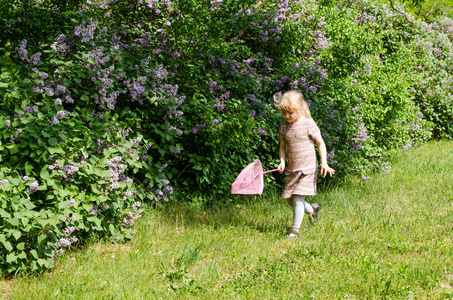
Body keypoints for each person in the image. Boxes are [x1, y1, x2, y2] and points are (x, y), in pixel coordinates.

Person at [275, 91, 335, 239]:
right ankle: (312, 210)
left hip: (308, 168)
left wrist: (324, 163)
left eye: (290, 113)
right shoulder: (284, 127)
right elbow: (282, 147)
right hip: (292, 168)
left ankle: (295, 230)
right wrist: (282, 161)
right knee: (291, 200)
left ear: (300, 109)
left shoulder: (308, 124)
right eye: (284, 113)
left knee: (297, 200)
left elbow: (320, 143)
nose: (287, 116)